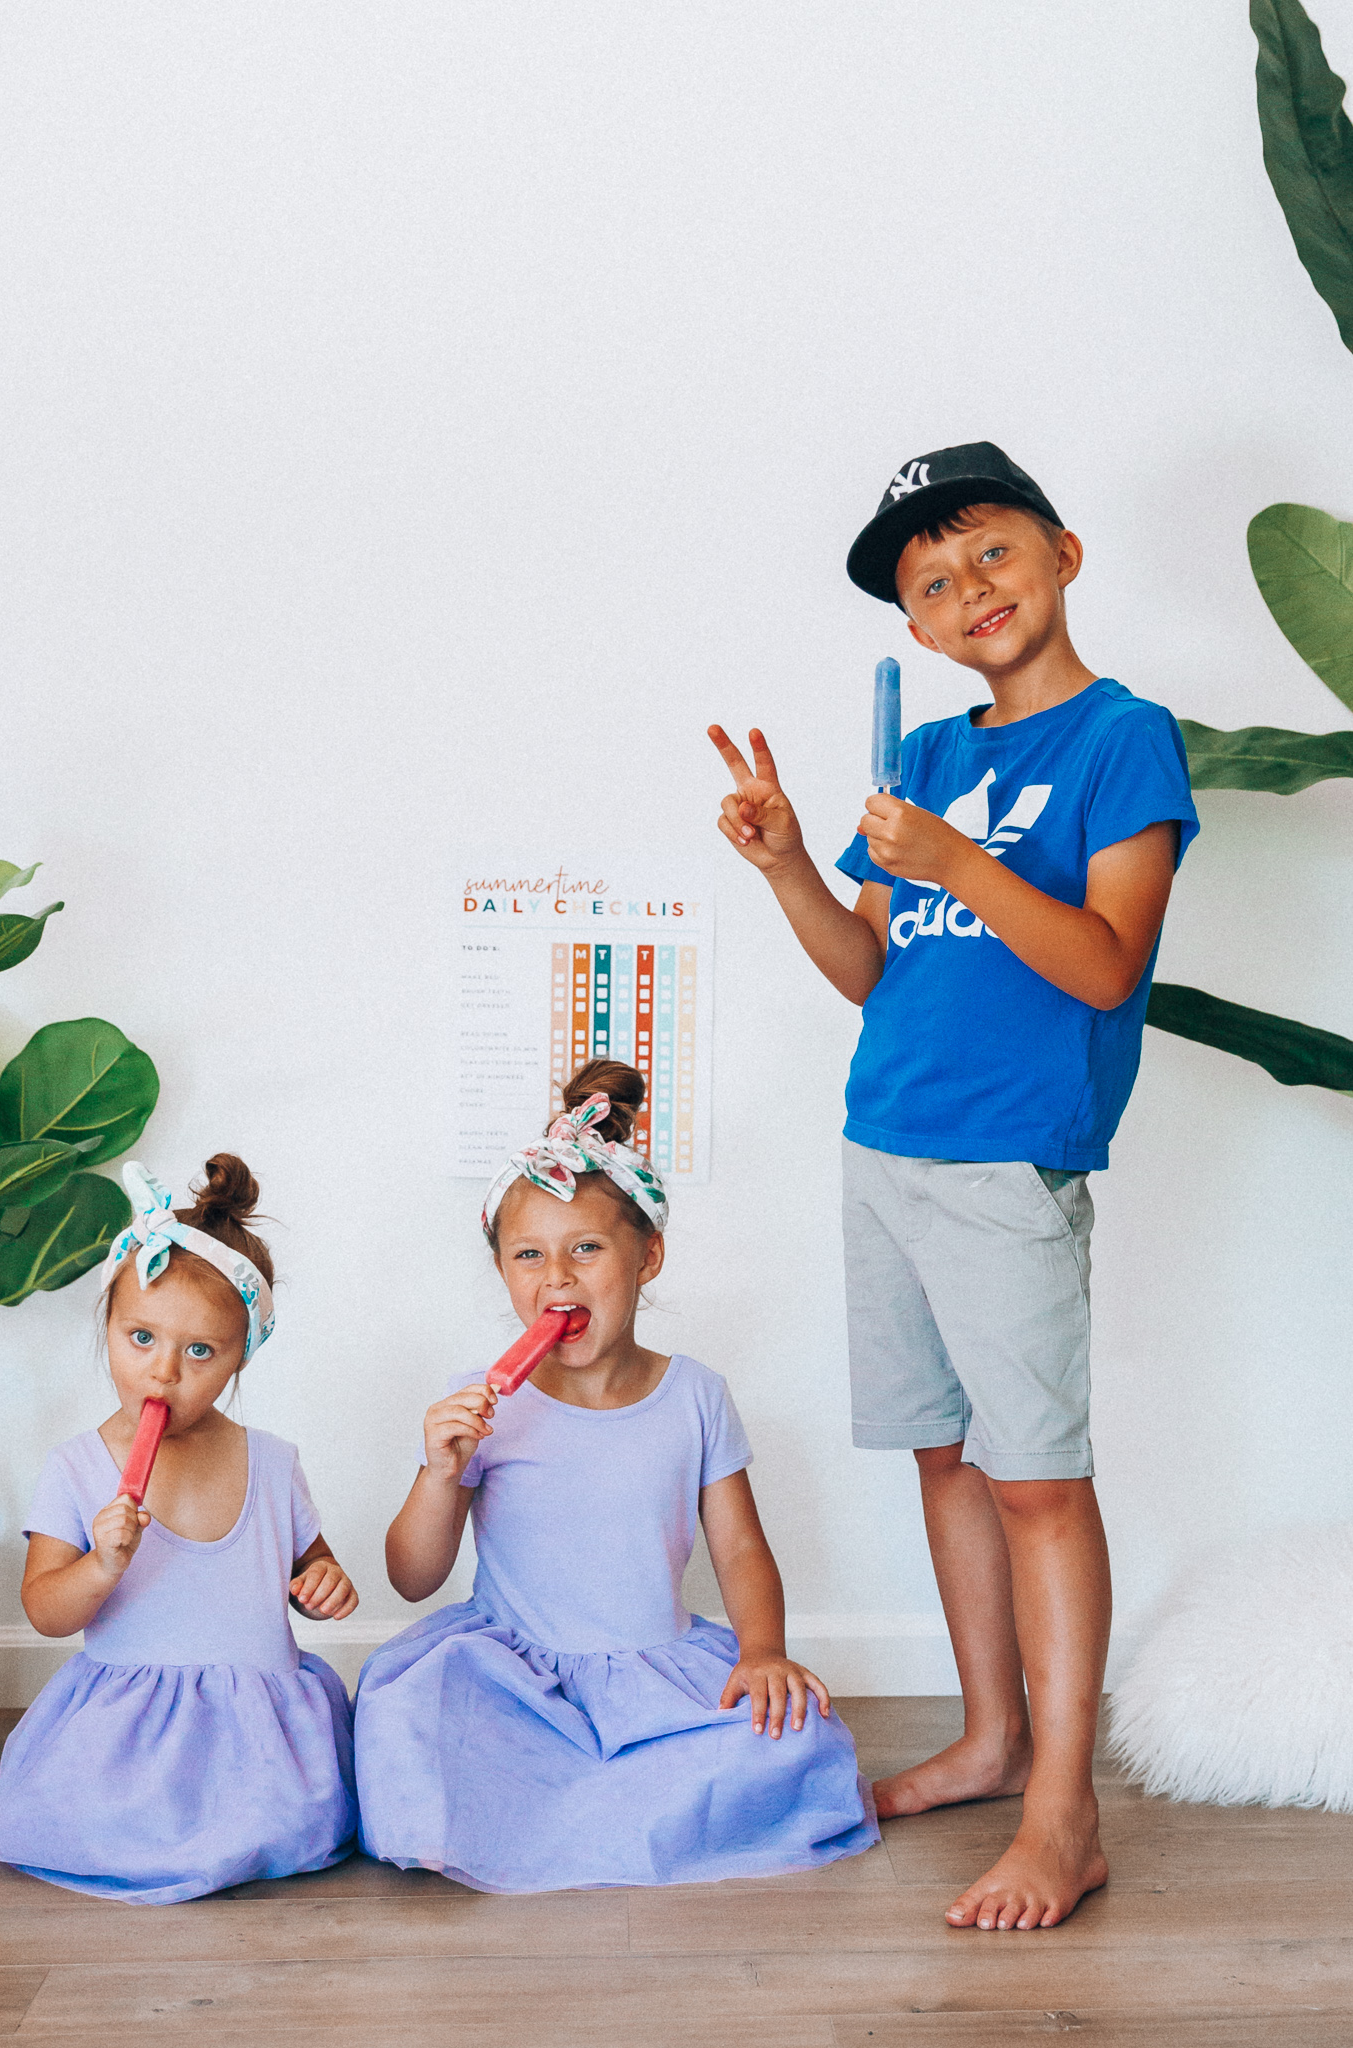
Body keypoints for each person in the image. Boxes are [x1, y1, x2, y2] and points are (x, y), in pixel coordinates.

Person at [709, 441, 1199, 1932]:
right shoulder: (919, 759)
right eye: (930, 583)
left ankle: (1066, 1813)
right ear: (912, 633)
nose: (964, 589)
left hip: (1007, 1160)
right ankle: (990, 1741)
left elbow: (1105, 963)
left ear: (1059, 551)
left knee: (1038, 1482)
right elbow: (872, 973)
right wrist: (794, 866)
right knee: (944, 1458)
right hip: (884, 1145)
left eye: (987, 552)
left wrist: (954, 864)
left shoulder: (1121, 741)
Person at [353, 1060, 878, 1892]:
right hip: (514, 1677)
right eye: (528, 1254)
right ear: (503, 1273)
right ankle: (618, 1818)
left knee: (798, 1737)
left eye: (585, 1249)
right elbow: (413, 1580)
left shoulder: (695, 1396)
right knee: (406, 1716)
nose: (555, 1276)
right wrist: (437, 1472)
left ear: (648, 1257)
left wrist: (765, 1652)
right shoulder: (482, 1405)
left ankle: (561, 1817)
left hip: (654, 1672)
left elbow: (740, 1550)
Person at [0, 1156, 359, 1903]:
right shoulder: (76, 1467)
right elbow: (47, 1612)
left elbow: (312, 1566)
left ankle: (244, 1834)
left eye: (200, 1351)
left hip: (255, 1737)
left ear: (243, 1356)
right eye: (140, 1337)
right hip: (125, 1736)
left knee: (286, 1822)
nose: (163, 1372)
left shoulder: (270, 1464)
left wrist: (323, 1585)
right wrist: (100, 1566)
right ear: (108, 1324)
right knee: (88, 1818)